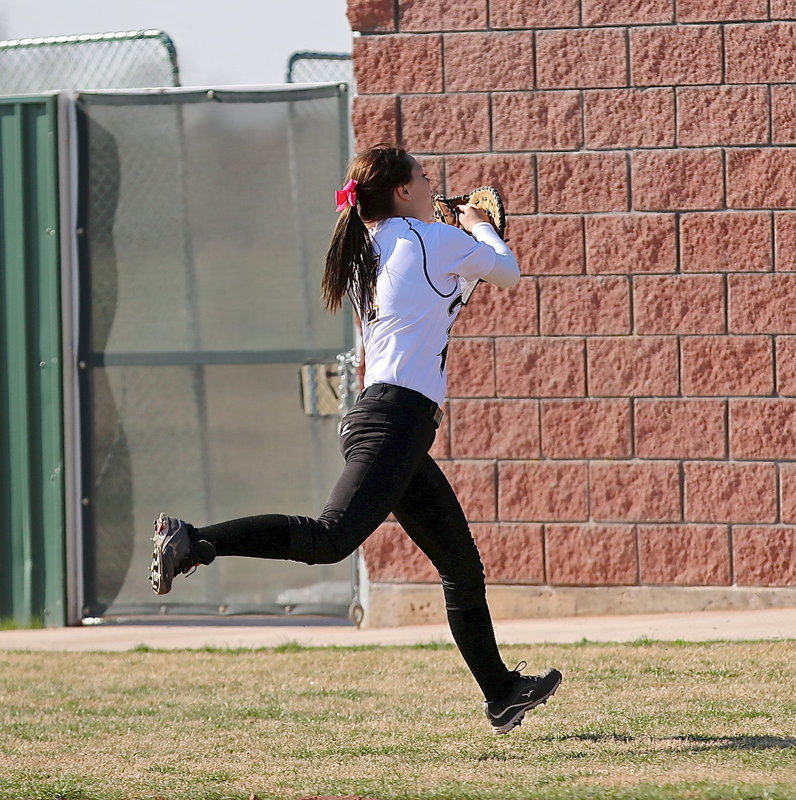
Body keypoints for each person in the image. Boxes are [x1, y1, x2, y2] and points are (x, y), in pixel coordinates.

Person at [149, 143, 562, 734]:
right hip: (395, 423)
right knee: (329, 539)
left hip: (392, 423)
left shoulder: (375, 245)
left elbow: (442, 296)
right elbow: (509, 272)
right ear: (401, 192)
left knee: (462, 568)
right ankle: (193, 541)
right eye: (423, 177)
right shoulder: (427, 240)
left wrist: (465, 242)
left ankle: (501, 694)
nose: (432, 185)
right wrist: (480, 226)